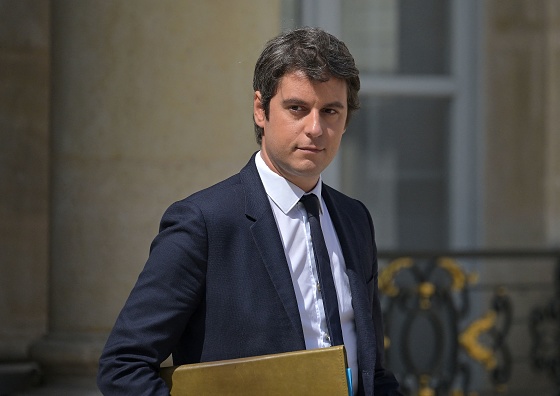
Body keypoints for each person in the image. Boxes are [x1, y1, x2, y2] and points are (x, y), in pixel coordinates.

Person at [97, 27, 401, 395]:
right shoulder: (203, 223)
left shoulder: (355, 219)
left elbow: (373, 372)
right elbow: (123, 367)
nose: (315, 128)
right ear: (261, 109)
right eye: (297, 109)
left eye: (330, 111)